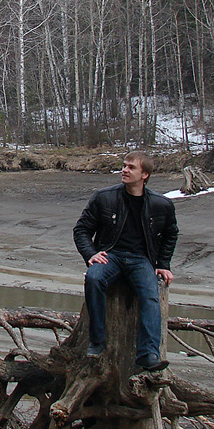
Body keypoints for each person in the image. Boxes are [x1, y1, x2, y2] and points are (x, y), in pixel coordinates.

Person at [72, 151, 179, 371]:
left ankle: (148, 354)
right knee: (93, 279)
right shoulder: (104, 197)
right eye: (124, 166)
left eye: (131, 167)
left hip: (141, 260)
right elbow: (81, 230)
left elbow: (171, 234)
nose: (125, 170)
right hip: (110, 255)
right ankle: (97, 341)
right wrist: (91, 254)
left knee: (151, 296)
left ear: (145, 175)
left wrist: (163, 265)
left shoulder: (161, 204)